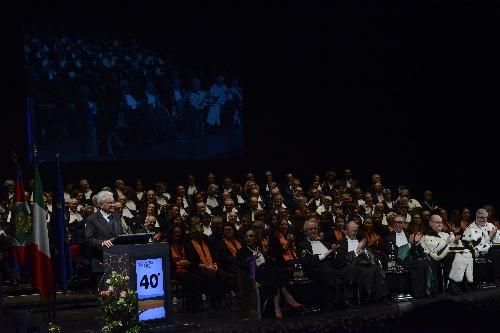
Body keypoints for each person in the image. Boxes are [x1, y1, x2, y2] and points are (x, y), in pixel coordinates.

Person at [236, 229, 303, 320]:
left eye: (251, 236)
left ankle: (277, 308)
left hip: (267, 273)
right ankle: (288, 299)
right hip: (254, 276)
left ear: (256, 239)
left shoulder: (259, 248)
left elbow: (269, 262)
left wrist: (266, 253)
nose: (248, 238)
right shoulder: (242, 251)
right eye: (247, 236)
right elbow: (241, 264)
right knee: (274, 273)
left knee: (275, 273)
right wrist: (253, 258)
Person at [297, 218, 356, 310]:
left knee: (350, 268)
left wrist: (334, 252)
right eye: (311, 229)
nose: (314, 231)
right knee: (329, 272)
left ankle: (347, 299)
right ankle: (331, 302)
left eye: (315, 228)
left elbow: (335, 256)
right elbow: (309, 261)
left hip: (332, 264)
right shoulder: (302, 245)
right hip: (316, 268)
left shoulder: (324, 242)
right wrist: (327, 254)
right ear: (305, 231)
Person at [418, 214, 473, 294]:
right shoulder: (426, 237)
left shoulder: (446, 234)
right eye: (437, 222)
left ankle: (464, 283)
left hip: (452, 255)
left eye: (441, 222)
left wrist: (457, 242)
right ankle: (453, 285)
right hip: (439, 259)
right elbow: (436, 251)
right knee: (455, 256)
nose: (440, 224)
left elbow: (459, 246)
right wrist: (447, 242)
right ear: (430, 223)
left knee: (467, 255)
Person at [340, 221, 388, 304]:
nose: (354, 233)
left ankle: (381, 296)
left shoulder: (360, 241)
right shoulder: (341, 243)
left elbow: (371, 255)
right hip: (352, 266)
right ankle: (366, 297)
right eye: (352, 231)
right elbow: (343, 259)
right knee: (364, 270)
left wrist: (365, 251)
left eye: (356, 231)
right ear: (346, 231)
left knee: (375, 268)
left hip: (365, 262)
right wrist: (357, 251)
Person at [84, 191, 124, 288]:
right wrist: (102, 243)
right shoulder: (92, 219)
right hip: (101, 261)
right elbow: (89, 239)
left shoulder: (116, 216)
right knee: (105, 292)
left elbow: (120, 234)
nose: (113, 205)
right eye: (109, 203)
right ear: (101, 205)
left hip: (118, 260)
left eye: (113, 202)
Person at [384, 215, 430, 298]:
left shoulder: (408, 235)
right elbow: (393, 252)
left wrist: (415, 243)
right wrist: (409, 244)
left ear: (404, 224)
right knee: (413, 266)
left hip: (409, 260)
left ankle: (419, 293)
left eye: (400, 222)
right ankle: (406, 292)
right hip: (396, 260)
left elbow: (414, 252)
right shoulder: (388, 237)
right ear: (393, 224)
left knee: (423, 264)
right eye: (396, 222)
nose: (398, 224)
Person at [186, 223, 229, 308]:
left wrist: (215, 264)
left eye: (201, 233)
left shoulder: (206, 242)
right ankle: (214, 300)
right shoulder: (189, 245)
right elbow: (192, 262)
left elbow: (214, 255)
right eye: (198, 234)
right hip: (199, 268)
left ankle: (222, 297)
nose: (200, 236)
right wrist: (206, 267)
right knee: (212, 277)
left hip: (211, 265)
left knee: (224, 275)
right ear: (193, 234)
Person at [168, 225, 199, 312]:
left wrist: (189, 262)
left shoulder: (185, 244)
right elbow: (165, 263)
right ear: (171, 234)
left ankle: (192, 305)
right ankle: (191, 306)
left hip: (185, 268)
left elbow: (193, 258)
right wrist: (177, 263)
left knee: (193, 275)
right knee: (189, 278)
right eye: (175, 232)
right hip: (173, 269)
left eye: (179, 232)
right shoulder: (167, 245)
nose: (177, 234)